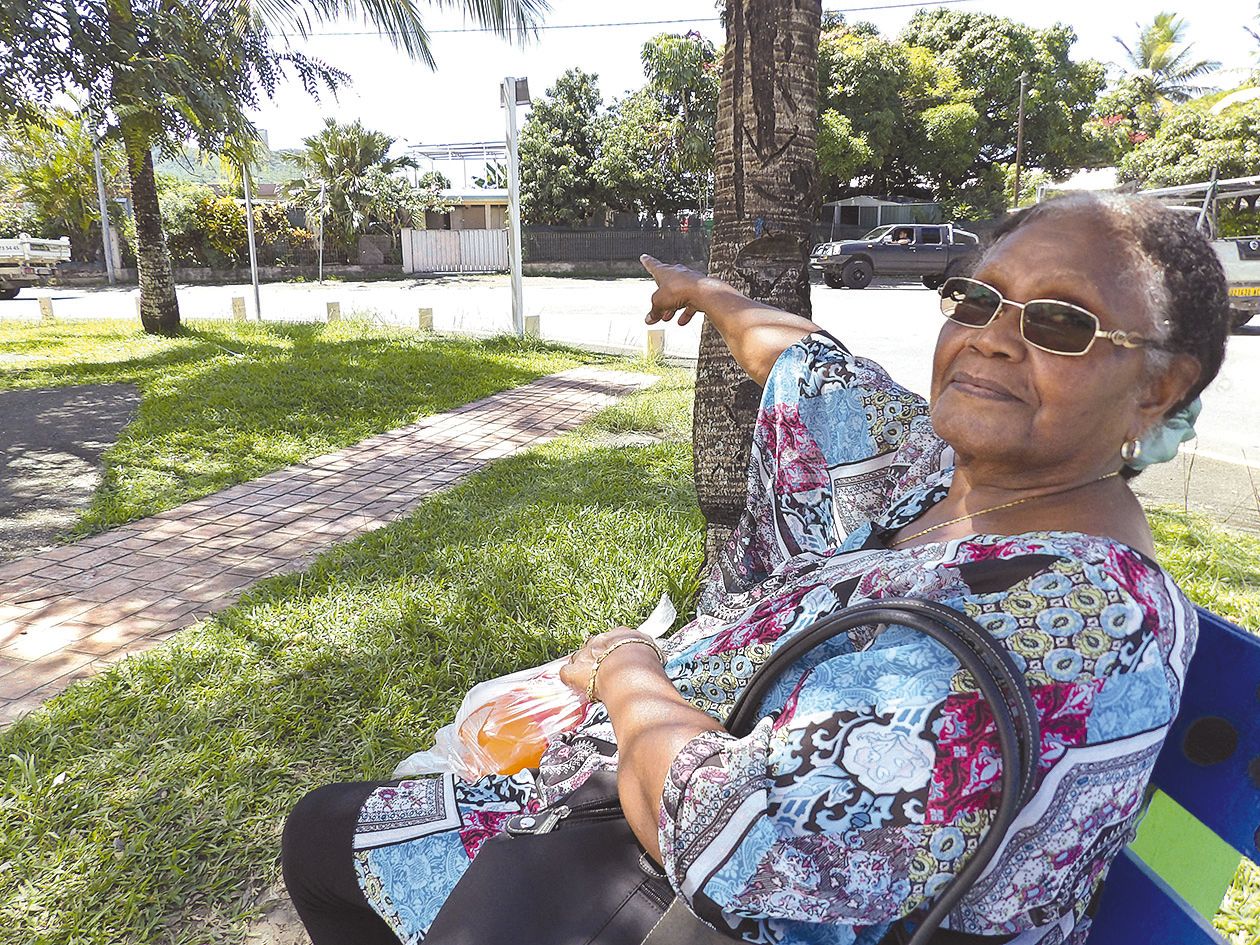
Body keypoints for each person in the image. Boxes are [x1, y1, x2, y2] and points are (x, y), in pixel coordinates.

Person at [281, 194, 1230, 945]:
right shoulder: (946, 472)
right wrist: (707, 296)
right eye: (975, 297)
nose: (989, 333)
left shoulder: (1072, 621)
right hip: (640, 806)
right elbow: (810, 366)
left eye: (1061, 323)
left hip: (685, 883)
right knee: (341, 823)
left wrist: (623, 673)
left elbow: (735, 844)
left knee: (324, 835)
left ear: (1159, 387)